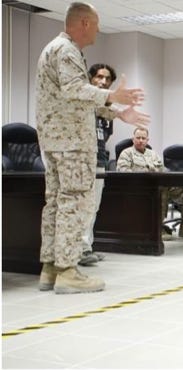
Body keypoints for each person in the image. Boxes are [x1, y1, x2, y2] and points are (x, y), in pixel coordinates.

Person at [37, 2, 149, 294]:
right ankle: (67, 271)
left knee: (57, 204)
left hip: (57, 141)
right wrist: (113, 94)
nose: (99, 30)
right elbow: (76, 89)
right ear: (84, 23)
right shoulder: (67, 51)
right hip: (72, 144)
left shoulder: (55, 48)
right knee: (74, 204)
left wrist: (118, 113)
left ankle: (50, 269)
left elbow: (75, 99)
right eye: (97, 24)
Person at [117, 127, 183, 240]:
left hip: (157, 186)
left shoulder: (153, 154)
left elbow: (164, 171)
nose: (141, 140)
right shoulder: (127, 153)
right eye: (138, 138)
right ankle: (158, 228)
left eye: (143, 138)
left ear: (147, 140)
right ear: (133, 139)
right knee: (161, 189)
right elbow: (123, 172)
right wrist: (145, 174)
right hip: (139, 188)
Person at [79, 63, 117, 266]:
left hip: (99, 159)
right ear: (90, 78)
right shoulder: (85, 100)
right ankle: (80, 249)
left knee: (93, 206)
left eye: (108, 79)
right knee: (83, 206)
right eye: (99, 77)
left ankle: (87, 247)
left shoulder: (106, 108)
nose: (103, 82)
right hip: (83, 161)